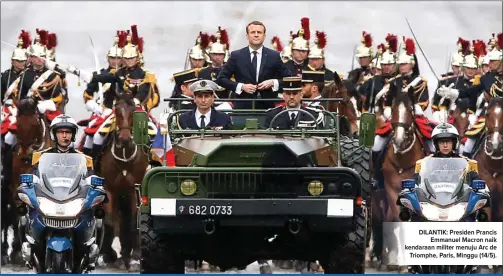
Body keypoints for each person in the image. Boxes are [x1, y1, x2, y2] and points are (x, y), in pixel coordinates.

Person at [216, 20, 291, 109]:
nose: (256, 35)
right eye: (253, 32)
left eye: (259, 32)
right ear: (247, 36)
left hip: (267, 108)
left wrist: (273, 82)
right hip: (242, 107)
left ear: (264, 36)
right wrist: (241, 86)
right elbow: (221, 79)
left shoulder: (274, 56)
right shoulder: (237, 56)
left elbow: (289, 79)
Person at [412, 123, 482, 185]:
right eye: (442, 142)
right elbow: (414, 185)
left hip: (459, 199)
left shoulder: (468, 164)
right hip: (431, 199)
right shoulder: (424, 164)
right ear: (436, 144)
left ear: (454, 143)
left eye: (448, 142)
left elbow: (479, 186)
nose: (445, 145)